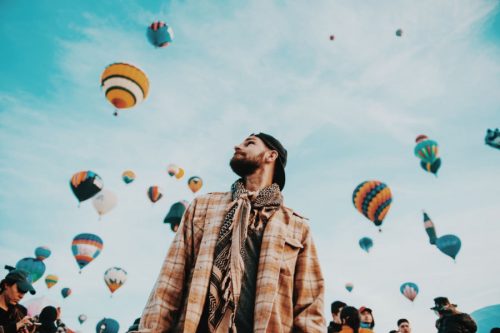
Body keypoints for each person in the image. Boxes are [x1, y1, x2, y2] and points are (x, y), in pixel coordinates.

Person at [140, 133, 325, 333]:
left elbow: (309, 304)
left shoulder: (297, 226)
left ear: (270, 156)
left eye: (250, 143)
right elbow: (169, 282)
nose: (237, 146)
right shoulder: (203, 207)